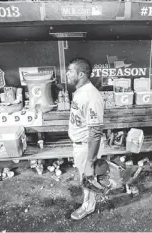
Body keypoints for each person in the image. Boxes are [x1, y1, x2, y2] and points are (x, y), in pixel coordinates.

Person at [66, 57, 105, 220]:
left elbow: (96, 132)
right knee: (85, 177)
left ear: (81, 74)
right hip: (80, 144)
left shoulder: (92, 96)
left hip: (87, 145)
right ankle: (89, 201)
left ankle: (88, 207)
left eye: (70, 71)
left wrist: (90, 161)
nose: (67, 74)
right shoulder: (80, 91)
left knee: (88, 178)